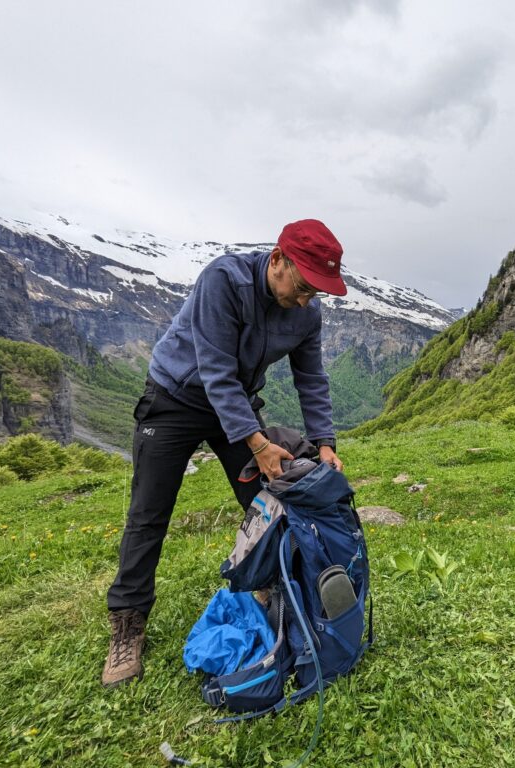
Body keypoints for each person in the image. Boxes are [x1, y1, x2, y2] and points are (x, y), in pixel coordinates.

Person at [101, 219, 347, 688]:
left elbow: (311, 379)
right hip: (176, 398)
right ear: (277, 260)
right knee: (149, 513)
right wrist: (257, 441)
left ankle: (275, 594)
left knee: (271, 499)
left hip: (234, 407)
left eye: (316, 293)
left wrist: (325, 444)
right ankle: (127, 624)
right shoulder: (223, 281)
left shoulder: (305, 314)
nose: (305, 300)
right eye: (302, 286)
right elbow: (215, 370)